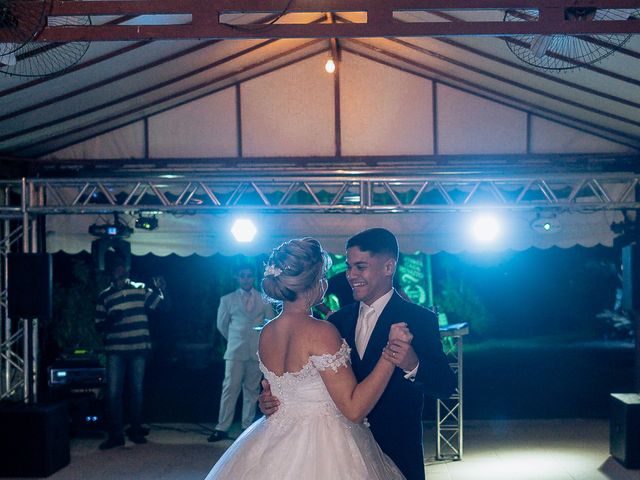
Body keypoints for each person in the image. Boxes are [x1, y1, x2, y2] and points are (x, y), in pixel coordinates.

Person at [205, 237, 410, 479]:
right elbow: (354, 409)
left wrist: (266, 400)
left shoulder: (267, 332)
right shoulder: (321, 332)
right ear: (312, 283)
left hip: (274, 439)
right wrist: (390, 354)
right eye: (323, 277)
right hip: (325, 442)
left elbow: (283, 387)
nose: (326, 283)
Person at [260, 228, 456, 480]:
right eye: (349, 266)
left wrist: (413, 363)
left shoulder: (420, 319)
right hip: (330, 454)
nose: (351, 275)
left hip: (398, 451)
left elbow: (445, 386)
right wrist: (266, 400)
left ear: (388, 267)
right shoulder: (335, 322)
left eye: (360, 267)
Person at [94, 256, 166, 450]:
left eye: (121, 267)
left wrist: (160, 288)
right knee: (113, 393)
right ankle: (116, 435)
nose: (119, 270)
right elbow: (98, 325)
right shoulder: (104, 295)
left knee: (136, 391)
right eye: (115, 268)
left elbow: (158, 304)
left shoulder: (139, 288)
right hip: (115, 349)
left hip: (138, 347)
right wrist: (110, 320)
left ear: (125, 269)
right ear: (111, 271)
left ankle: (135, 430)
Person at [207, 263, 275, 442]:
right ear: (237, 277)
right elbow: (222, 325)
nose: (246, 279)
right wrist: (235, 339)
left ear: (254, 277)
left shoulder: (264, 299)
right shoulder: (227, 299)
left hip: (256, 350)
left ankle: (246, 428)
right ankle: (222, 427)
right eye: (242, 275)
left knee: (252, 390)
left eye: (249, 275)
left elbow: (269, 322)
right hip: (235, 350)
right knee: (230, 388)